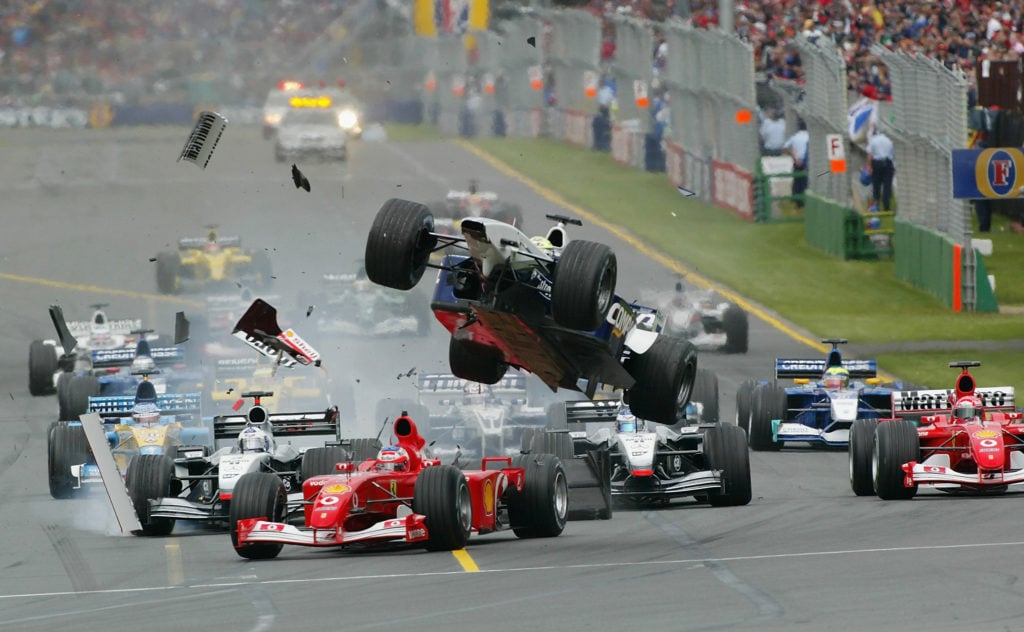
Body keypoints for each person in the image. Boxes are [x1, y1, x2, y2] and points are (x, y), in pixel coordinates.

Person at [866, 130, 896, 212]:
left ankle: (876, 206)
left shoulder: (873, 141)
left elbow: (870, 155)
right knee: (887, 186)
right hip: (888, 164)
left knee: (876, 185)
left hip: (877, 164)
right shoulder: (889, 141)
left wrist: (869, 167)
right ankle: (886, 207)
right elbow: (892, 155)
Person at [784, 120, 809, 208]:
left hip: (797, 161)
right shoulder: (809, 136)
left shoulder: (795, 137)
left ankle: (797, 202)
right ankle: (806, 201)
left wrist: (795, 158)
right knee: (806, 182)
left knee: (797, 182)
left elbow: (785, 147)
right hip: (807, 161)